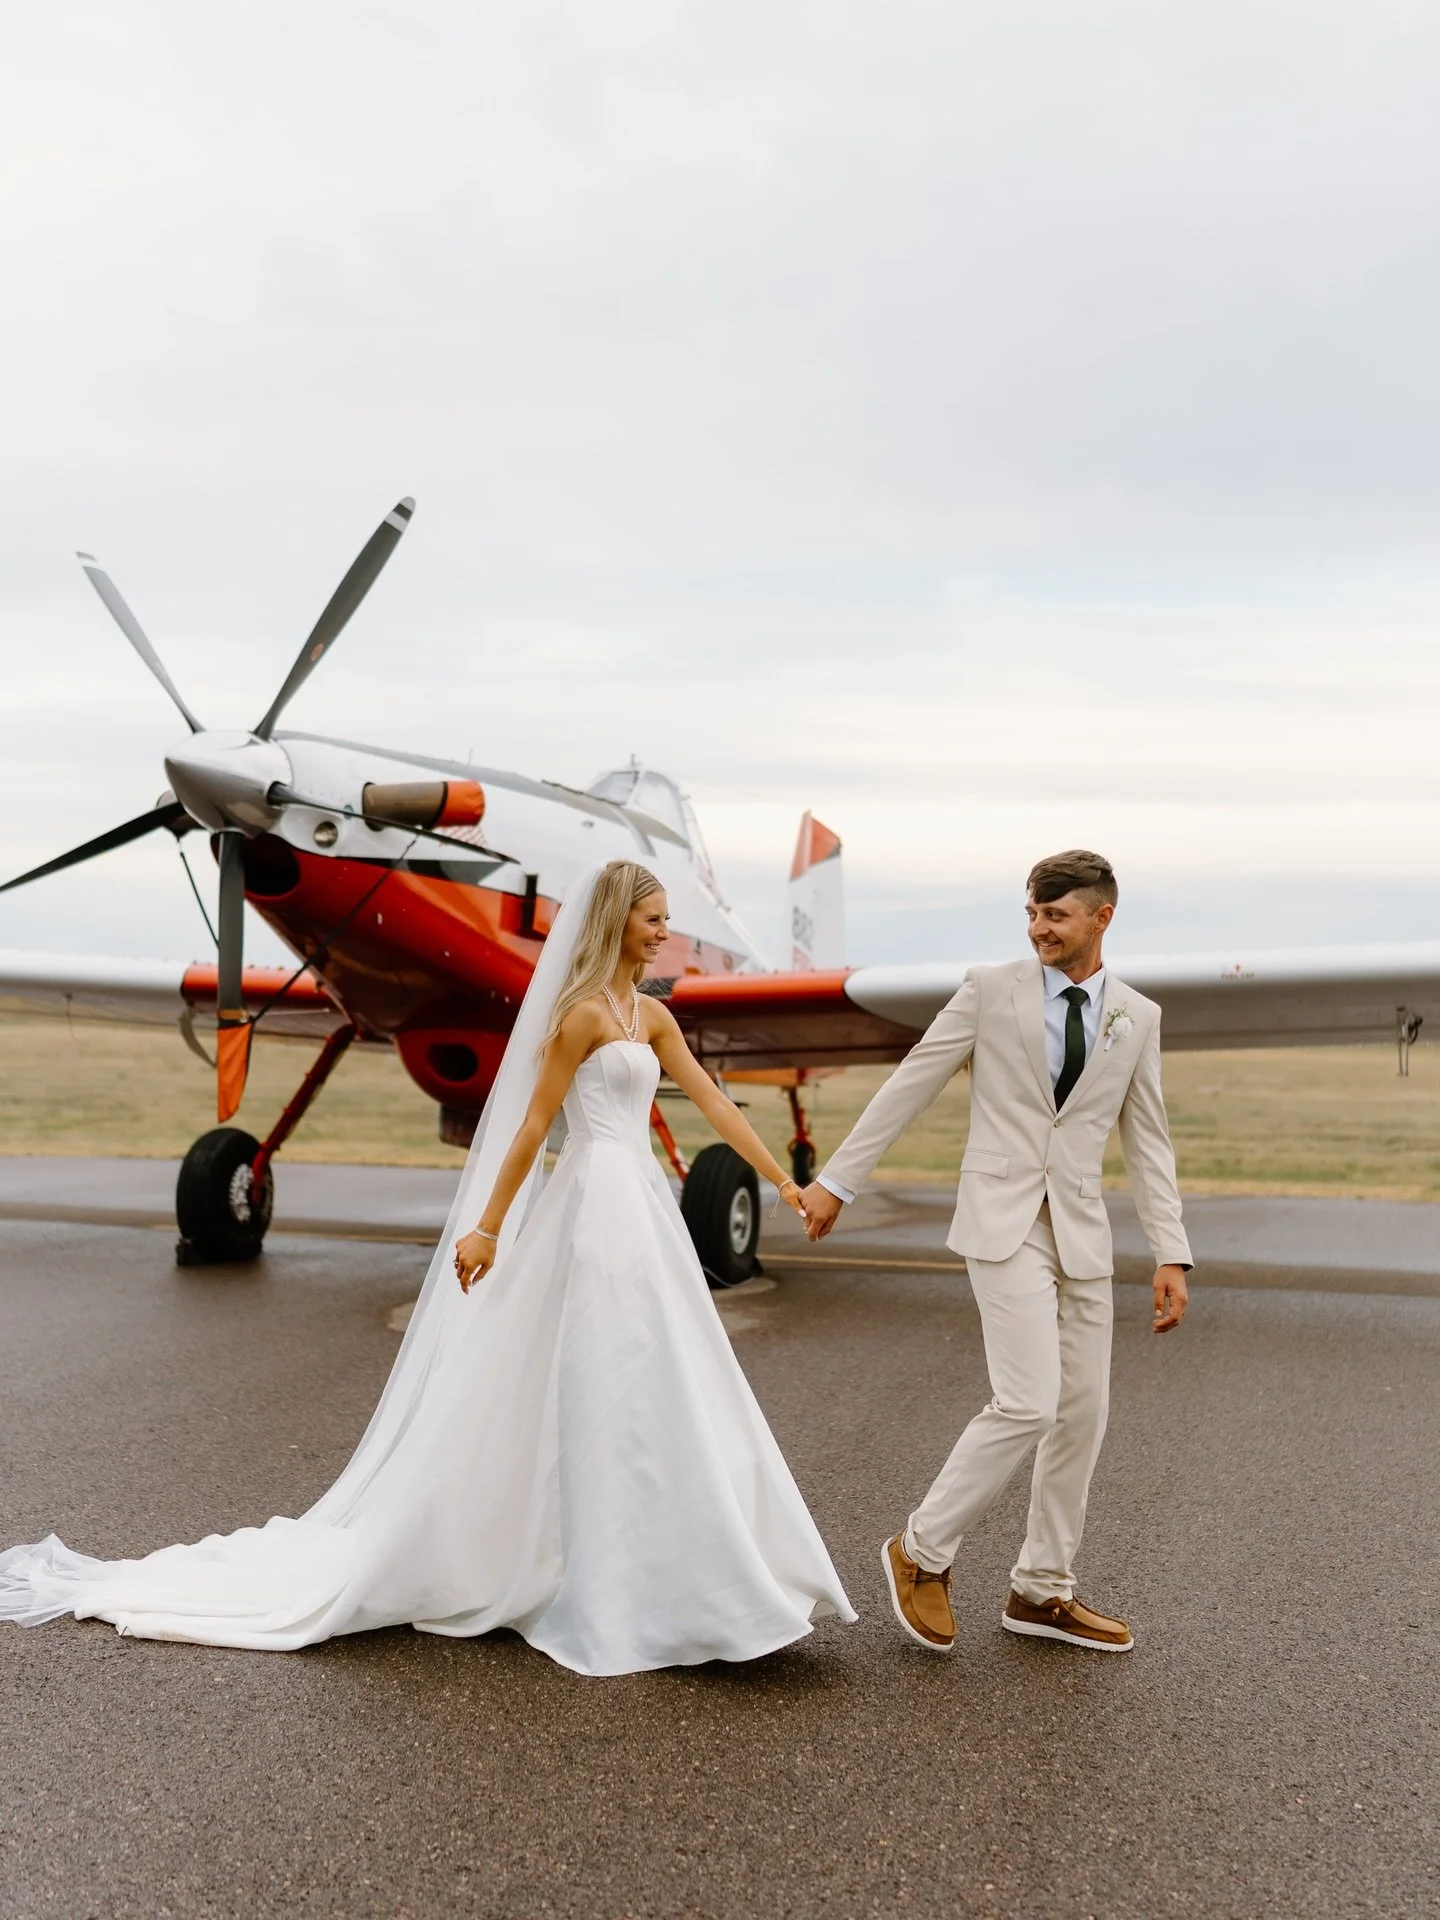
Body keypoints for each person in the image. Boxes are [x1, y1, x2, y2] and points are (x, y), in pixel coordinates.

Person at [0, 861, 855, 1675]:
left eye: (668, 921)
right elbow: (529, 1128)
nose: (666, 934)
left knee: (665, 1370)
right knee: (599, 1372)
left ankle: (684, 1568)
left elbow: (710, 1101)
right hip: (590, 1205)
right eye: (654, 920)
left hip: (642, 1208)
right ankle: (597, 1576)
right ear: (617, 923)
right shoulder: (581, 1016)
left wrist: (788, 1183)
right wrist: (484, 1229)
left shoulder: (655, 1019)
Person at [801, 850, 1190, 1656]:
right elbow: (911, 1081)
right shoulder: (989, 988)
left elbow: (1148, 1144)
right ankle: (921, 1552)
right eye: (1031, 914)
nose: (1038, 928)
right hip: (1001, 1221)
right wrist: (839, 1181)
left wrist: (1171, 1252)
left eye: (1055, 915)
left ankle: (1042, 1590)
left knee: (1082, 1415)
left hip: (1080, 1230)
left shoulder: (1136, 1017)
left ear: (1101, 918)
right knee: (1029, 1401)